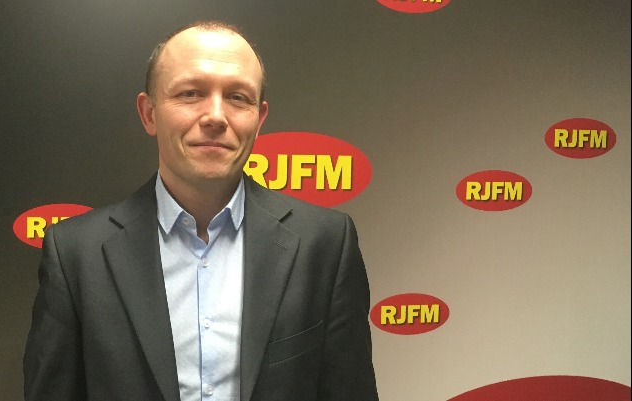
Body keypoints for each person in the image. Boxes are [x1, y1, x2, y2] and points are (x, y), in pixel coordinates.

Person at [24, 20, 378, 401]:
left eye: (238, 97)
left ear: (259, 120)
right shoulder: (77, 255)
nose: (215, 116)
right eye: (190, 93)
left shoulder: (325, 245)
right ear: (149, 113)